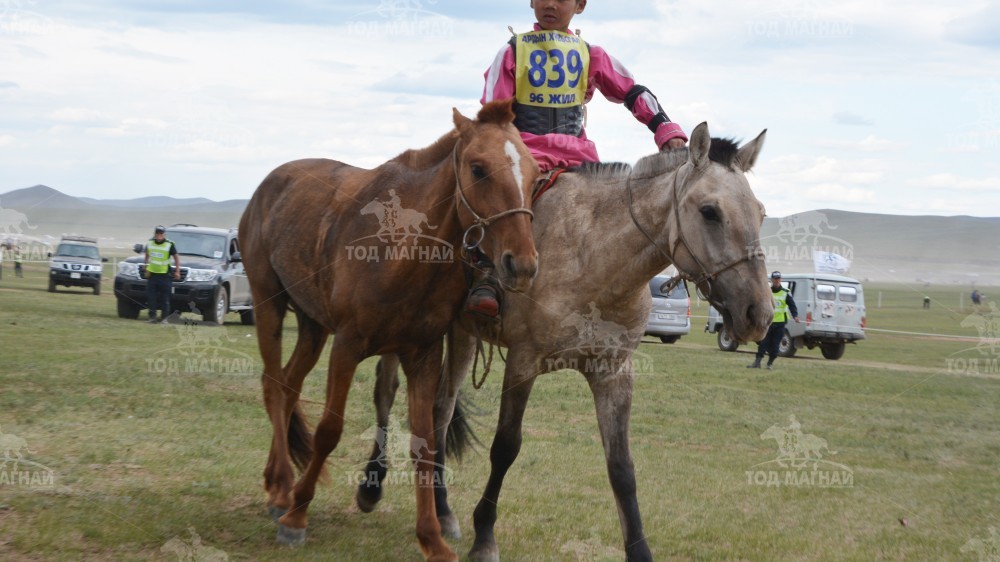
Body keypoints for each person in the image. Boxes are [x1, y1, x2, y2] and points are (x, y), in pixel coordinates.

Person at [467, 0, 688, 317]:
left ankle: (613, 293)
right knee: (501, 197)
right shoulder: (511, 52)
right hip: (525, 152)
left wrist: (665, 128)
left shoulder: (592, 54)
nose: (551, 4)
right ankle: (486, 275)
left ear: (580, 5)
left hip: (582, 158)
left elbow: (632, 91)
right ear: (531, 2)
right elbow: (492, 114)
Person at [748, 271, 800, 370]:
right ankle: (757, 362)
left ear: (780, 279)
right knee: (763, 343)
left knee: (775, 346)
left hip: (780, 324)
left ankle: (770, 364)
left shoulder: (786, 292)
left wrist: (795, 316)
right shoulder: (767, 291)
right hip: (768, 323)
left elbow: (792, 306)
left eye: (778, 279)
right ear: (771, 280)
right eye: (775, 279)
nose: (776, 281)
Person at [144, 225, 181, 323]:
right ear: (155, 234)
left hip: (165, 275)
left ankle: (164, 318)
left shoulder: (169, 244)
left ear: (164, 234)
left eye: (161, 233)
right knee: (151, 297)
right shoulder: (150, 243)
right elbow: (147, 254)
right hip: (152, 274)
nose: (159, 235)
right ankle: (152, 317)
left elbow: (176, 258)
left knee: (165, 298)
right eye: (157, 233)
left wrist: (177, 271)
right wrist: (145, 265)